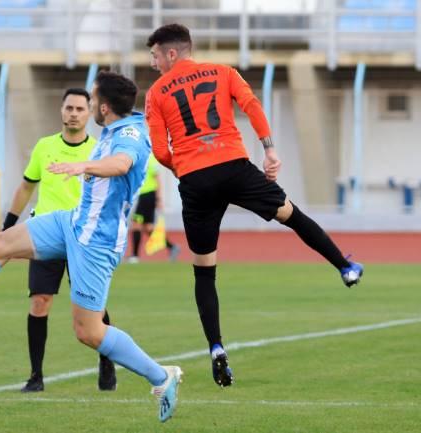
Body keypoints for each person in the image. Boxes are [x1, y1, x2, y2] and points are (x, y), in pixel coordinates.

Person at [0, 71, 183, 423]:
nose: (85, 106)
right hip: (72, 221)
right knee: (2, 243)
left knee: (88, 332)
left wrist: (84, 164)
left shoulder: (129, 135)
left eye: (91, 99)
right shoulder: (119, 125)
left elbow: (122, 163)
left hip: (96, 242)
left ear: (103, 106)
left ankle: (161, 376)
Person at [144, 23, 364, 388]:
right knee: (291, 215)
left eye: (154, 56)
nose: (153, 64)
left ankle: (216, 347)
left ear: (171, 53)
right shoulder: (224, 72)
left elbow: (159, 149)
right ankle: (345, 266)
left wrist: (184, 167)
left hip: (195, 180)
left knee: (204, 271)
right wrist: (270, 150)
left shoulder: (155, 93)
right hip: (234, 166)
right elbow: (252, 105)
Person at [2, 88, 117, 393]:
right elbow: (26, 187)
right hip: (46, 233)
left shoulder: (99, 151)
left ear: (90, 113)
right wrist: (8, 225)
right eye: (69, 108)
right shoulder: (44, 146)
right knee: (40, 301)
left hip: (84, 237)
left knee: (94, 307)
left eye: (80, 109)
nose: (74, 113)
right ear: (61, 110)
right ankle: (35, 376)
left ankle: (106, 359)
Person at [127, 153, 180, 263]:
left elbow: (157, 179)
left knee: (136, 224)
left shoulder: (150, 160)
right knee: (148, 228)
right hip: (143, 196)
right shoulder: (136, 158)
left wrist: (159, 199)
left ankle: (135, 256)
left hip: (148, 196)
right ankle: (171, 247)